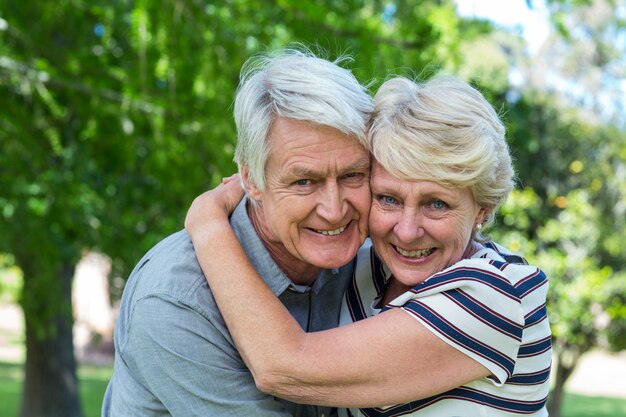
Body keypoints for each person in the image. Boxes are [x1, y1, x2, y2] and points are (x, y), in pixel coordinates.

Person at [185, 76, 552, 416]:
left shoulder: (494, 296)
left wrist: (208, 222)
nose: (406, 232)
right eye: (388, 198)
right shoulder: (364, 267)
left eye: (436, 204)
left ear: (482, 210)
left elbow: (282, 367)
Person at [102, 46, 374, 417]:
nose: (334, 208)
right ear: (251, 180)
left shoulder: (370, 261)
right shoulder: (176, 300)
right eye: (304, 181)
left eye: (352, 175)